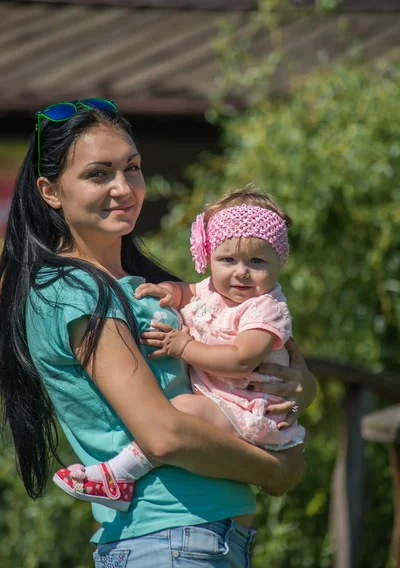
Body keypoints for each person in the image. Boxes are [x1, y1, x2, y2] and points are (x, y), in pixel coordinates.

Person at [0, 99, 316, 568]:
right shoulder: (69, 290)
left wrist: (301, 383)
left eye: (133, 168)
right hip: (166, 543)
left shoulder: (144, 284)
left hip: (203, 544)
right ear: (50, 191)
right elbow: (162, 433)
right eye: (98, 174)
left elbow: (272, 360)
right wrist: (275, 472)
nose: (123, 189)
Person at [54, 190, 306, 511]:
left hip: (249, 408)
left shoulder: (265, 309)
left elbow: (241, 359)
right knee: (181, 412)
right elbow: (189, 291)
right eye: (227, 259)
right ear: (209, 257)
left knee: (182, 411)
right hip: (225, 403)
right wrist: (169, 291)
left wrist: (185, 346)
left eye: (256, 261)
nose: (241, 272)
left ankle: (118, 475)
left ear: (278, 262)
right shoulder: (214, 289)